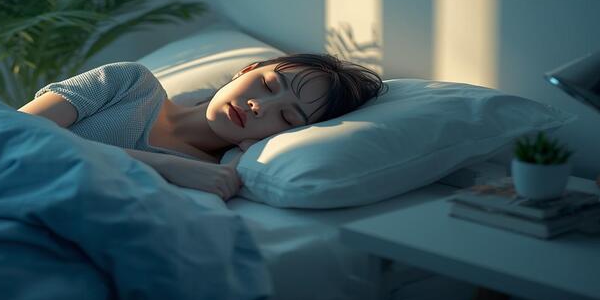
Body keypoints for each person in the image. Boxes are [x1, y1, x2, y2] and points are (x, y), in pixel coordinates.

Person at [19, 54, 387, 201]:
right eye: (269, 85)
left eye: (288, 118)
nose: (260, 105)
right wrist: (162, 165)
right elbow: (12, 131)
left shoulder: (214, 177)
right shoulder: (129, 82)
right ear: (247, 69)